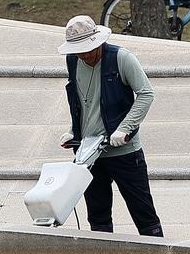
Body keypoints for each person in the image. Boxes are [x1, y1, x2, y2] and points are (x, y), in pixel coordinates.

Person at [56, 15, 163, 237]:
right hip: (89, 153)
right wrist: (73, 131)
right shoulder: (74, 61)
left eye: (86, 49)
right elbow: (83, 100)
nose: (82, 54)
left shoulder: (121, 58)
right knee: (97, 216)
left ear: (97, 42)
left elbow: (146, 93)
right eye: (77, 50)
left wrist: (125, 128)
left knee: (143, 213)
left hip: (124, 151)